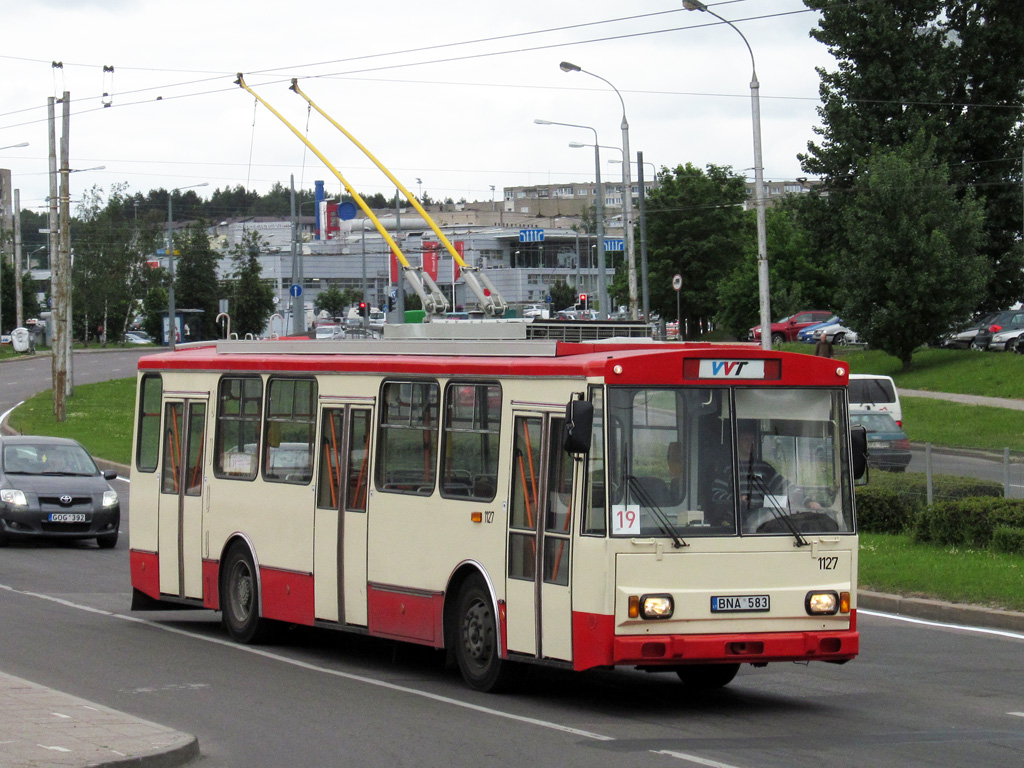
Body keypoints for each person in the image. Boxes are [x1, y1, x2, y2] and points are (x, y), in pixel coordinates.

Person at [710, 423, 820, 531]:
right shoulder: (727, 469)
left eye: (752, 439)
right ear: (737, 442)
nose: (750, 443)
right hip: (735, 525)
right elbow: (716, 494)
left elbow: (785, 486)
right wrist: (737, 499)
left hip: (763, 524)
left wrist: (808, 501)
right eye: (745, 439)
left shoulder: (764, 467)